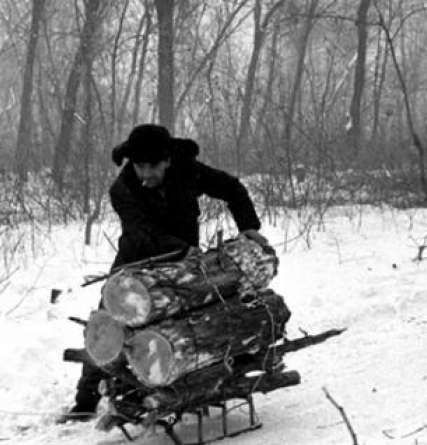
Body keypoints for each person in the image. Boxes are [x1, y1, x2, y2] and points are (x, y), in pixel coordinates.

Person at [61, 123, 270, 422]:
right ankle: (86, 397)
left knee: (184, 326)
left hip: (183, 267)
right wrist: (180, 249)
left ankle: (175, 381)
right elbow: (142, 231)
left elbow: (232, 188)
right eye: (139, 166)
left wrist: (249, 227)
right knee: (107, 322)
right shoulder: (122, 189)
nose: (145, 175)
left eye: (153, 167)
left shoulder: (187, 170)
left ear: (168, 160)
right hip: (136, 262)